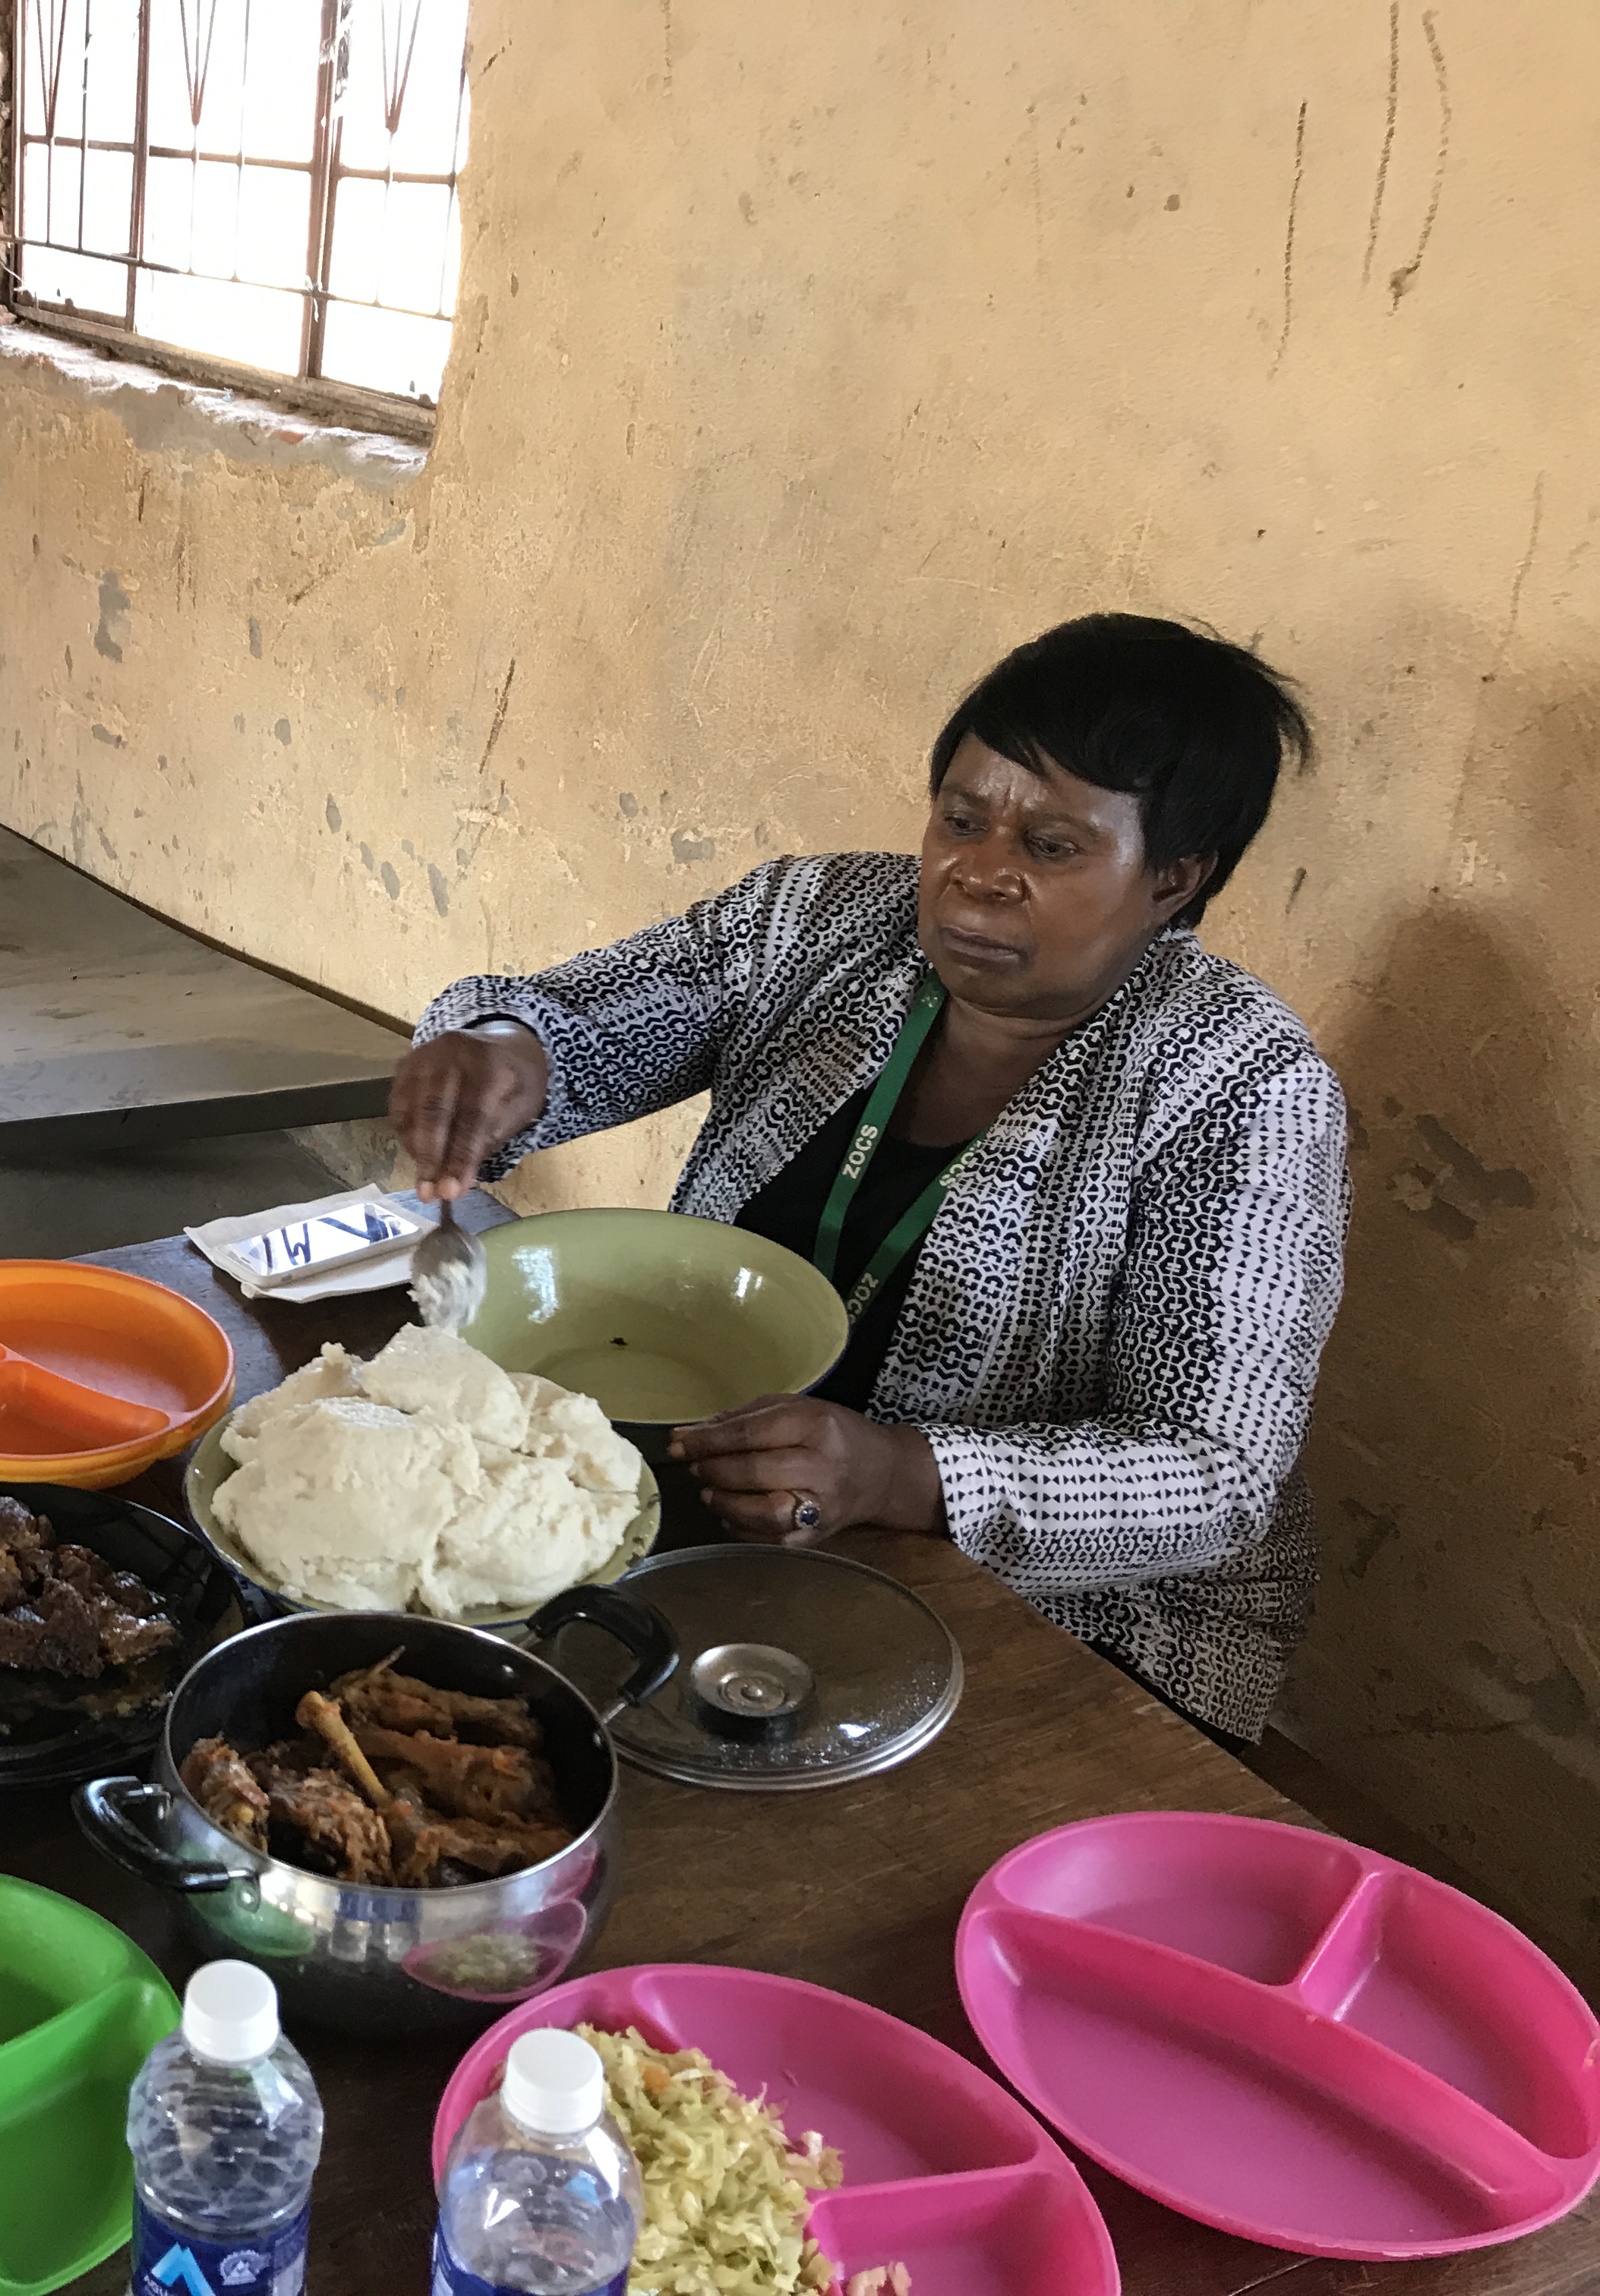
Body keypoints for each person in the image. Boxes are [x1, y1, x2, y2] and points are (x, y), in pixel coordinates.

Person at [387, 615, 1349, 1743]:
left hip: (1077, 1625)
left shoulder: (1239, 1084)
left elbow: (1217, 1475)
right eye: (961, 819)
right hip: (718, 1510)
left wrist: (899, 1474)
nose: (978, 876)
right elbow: (584, 1019)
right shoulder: (822, 923)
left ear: (1176, 877)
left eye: (1051, 847)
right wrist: (506, 1051)